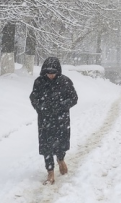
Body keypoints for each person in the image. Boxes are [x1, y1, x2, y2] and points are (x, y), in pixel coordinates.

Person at [29, 57, 78, 185]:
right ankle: (50, 171)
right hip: (45, 120)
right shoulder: (39, 82)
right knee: (46, 146)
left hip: (61, 119)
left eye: (53, 73)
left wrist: (61, 106)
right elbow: (33, 98)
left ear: (58, 71)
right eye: (48, 72)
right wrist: (41, 107)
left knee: (61, 143)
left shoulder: (65, 82)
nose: (51, 75)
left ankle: (61, 159)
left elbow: (74, 98)